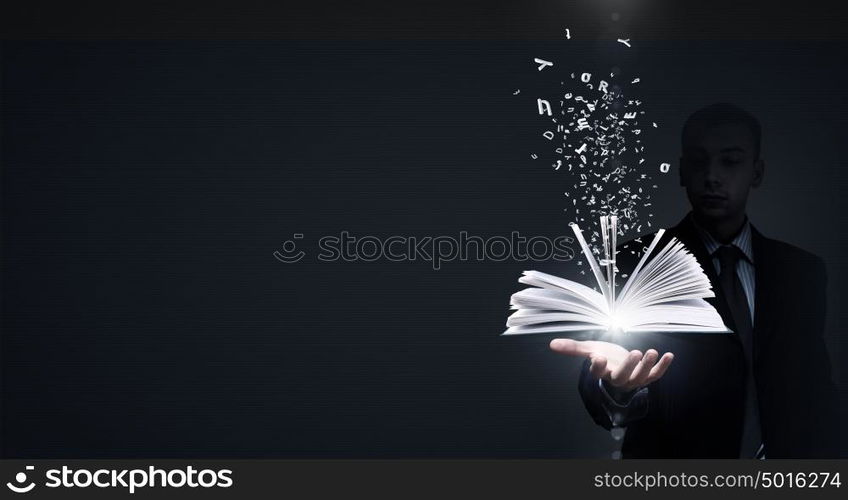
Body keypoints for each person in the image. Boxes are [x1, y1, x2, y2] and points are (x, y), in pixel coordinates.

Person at [550, 103, 839, 458]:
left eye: (730, 161)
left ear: (757, 172)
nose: (712, 176)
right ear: (683, 171)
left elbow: (815, 390)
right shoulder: (635, 262)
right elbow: (602, 378)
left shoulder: (801, 272)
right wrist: (616, 388)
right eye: (699, 161)